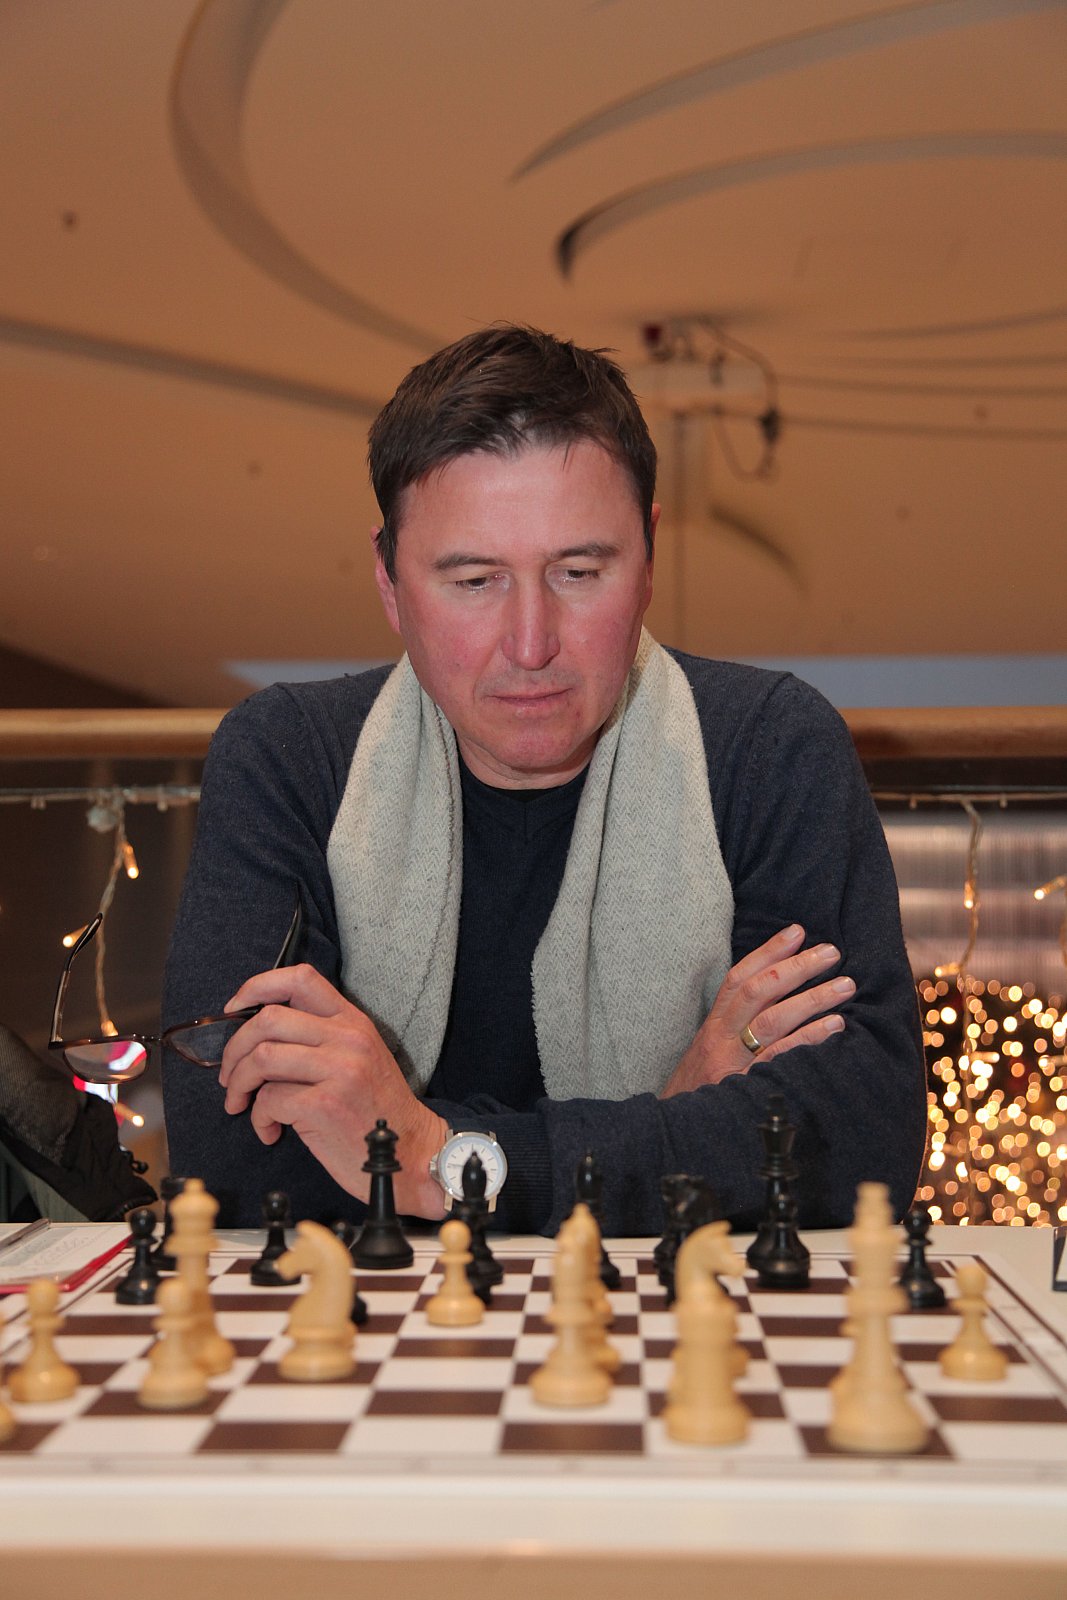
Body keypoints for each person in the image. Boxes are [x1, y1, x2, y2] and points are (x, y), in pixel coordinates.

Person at [162, 325, 926, 1234]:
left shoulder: (770, 748)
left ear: (648, 557)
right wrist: (676, 1119)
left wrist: (429, 1152)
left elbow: (859, 1140)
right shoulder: (289, 759)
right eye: (473, 580)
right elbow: (232, 1161)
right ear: (389, 581)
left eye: (577, 570)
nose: (531, 646)